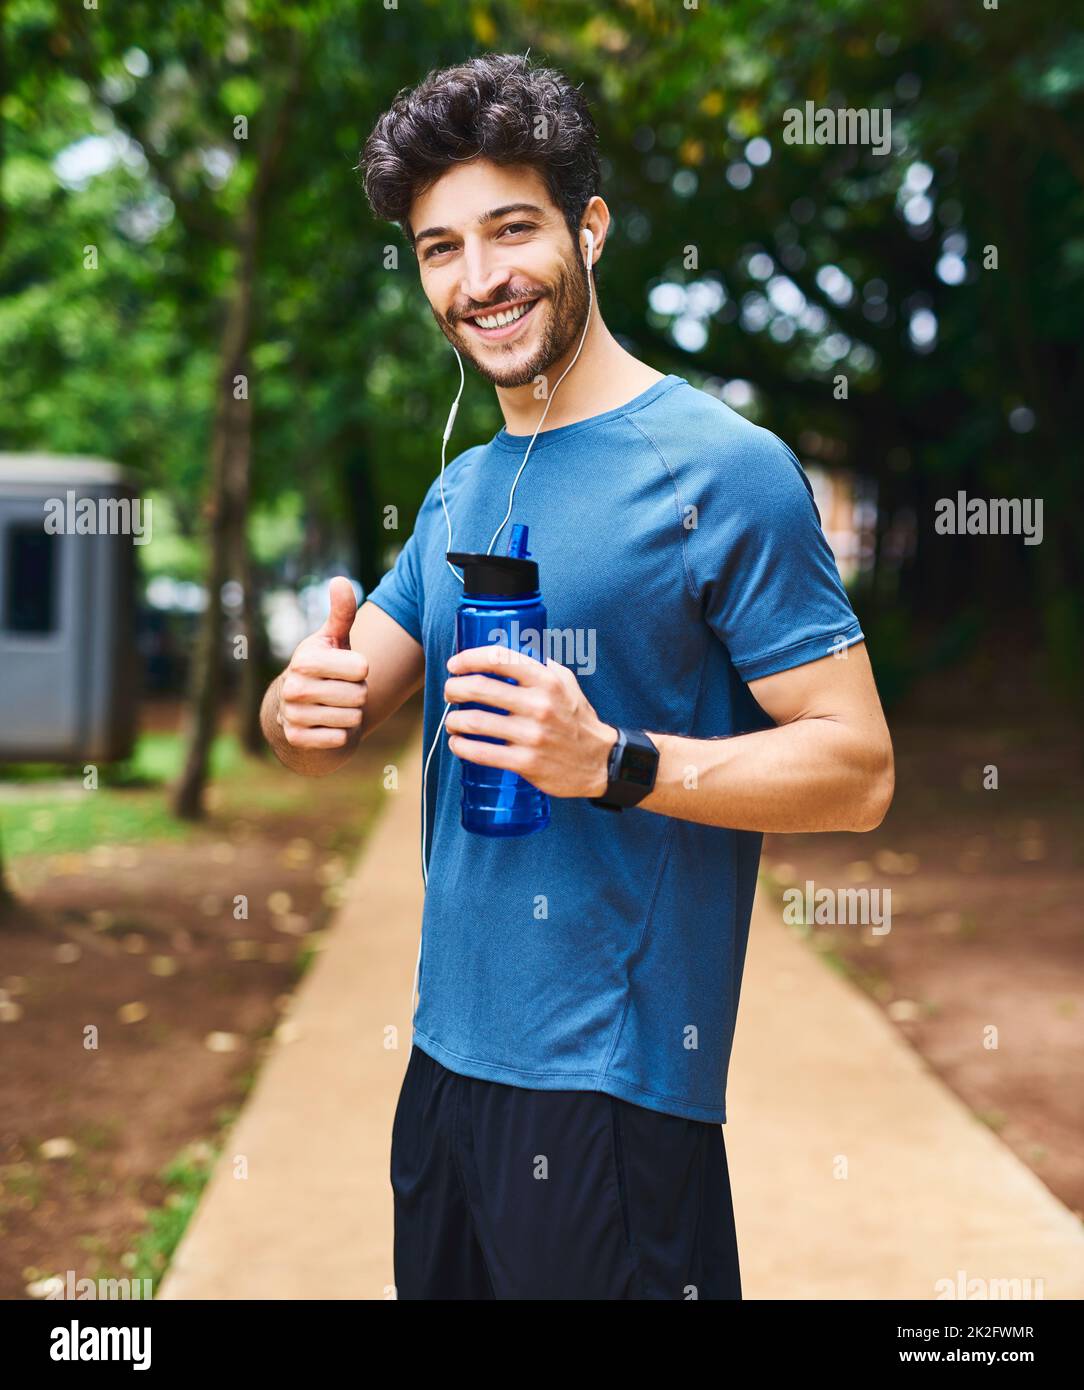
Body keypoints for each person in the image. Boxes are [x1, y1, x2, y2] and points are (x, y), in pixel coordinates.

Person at [260, 51, 894, 1300]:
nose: (478, 279)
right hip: (441, 1076)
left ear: (588, 228)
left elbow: (858, 768)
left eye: (511, 230)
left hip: (611, 1097)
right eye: (440, 248)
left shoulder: (722, 466)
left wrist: (613, 762)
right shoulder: (460, 484)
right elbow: (339, 697)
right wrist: (297, 705)